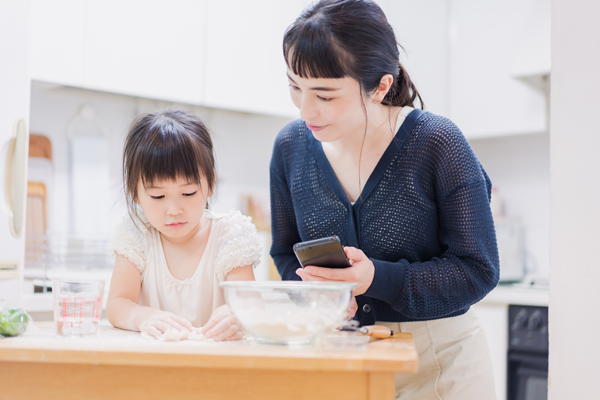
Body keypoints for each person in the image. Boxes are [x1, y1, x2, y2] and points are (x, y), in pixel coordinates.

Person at [269, 0, 499, 398]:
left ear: (380, 87)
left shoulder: (437, 144)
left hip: (441, 366)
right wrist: (318, 298)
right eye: (294, 86)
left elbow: (478, 269)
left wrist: (377, 278)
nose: (305, 109)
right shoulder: (290, 147)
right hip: (345, 361)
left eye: (324, 95)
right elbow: (286, 255)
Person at [107, 109, 261, 341]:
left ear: (210, 185)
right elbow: (117, 304)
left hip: (217, 363)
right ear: (135, 192)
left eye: (188, 193)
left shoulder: (229, 235)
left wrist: (239, 314)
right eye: (158, 197)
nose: (174, 209)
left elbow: (250, 302)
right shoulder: (137, 234)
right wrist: (142, 316)